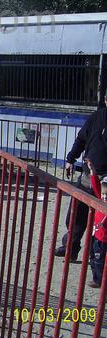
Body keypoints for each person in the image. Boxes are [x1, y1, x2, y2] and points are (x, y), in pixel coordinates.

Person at [55, 97, 107, 261]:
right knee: (75, 216)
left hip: (106, 183)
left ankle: (96, 261)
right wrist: (70, 159)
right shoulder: (97, 117)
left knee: (101, 223)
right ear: (106, 100)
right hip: (87, 176)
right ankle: (70, 248)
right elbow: (81, 139)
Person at [86, 158, 107, 288]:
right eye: (104, 194)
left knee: (99, 261)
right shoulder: (101, 200)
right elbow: (96, 186)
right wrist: (92, 170)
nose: (105, 197)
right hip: (96, 236)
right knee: (93, 258)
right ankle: (96, 278)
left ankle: (99, 281)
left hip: (104, 239)